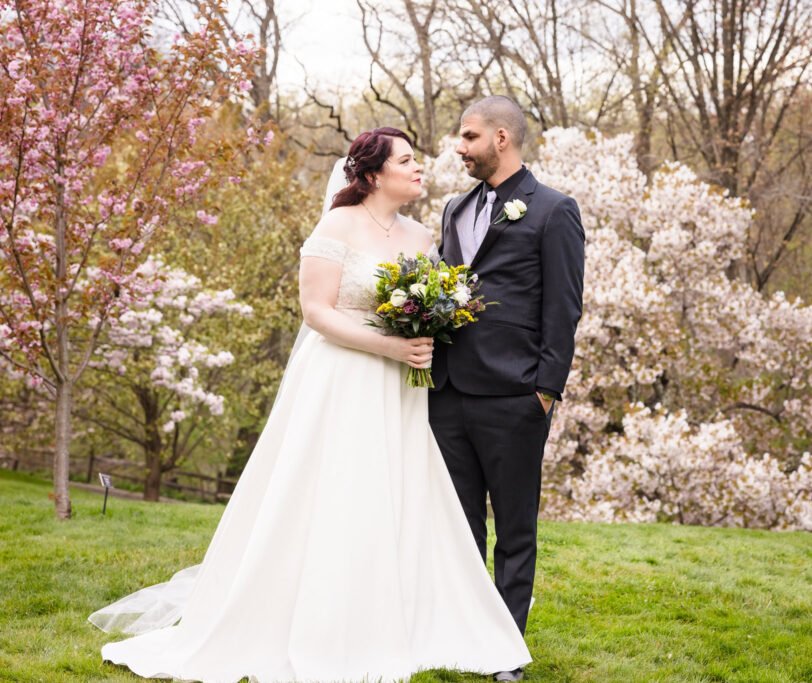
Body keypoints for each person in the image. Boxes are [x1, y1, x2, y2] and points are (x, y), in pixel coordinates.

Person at [88, 127, 530, 682]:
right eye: (408, 161)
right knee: (336, 488)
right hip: (342, 377)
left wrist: (427, 332)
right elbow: (317, 312)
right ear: (373, 174)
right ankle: (315, 619)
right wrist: (391, 344)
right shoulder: (336, 225)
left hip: (401, 390)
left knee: (397, 491)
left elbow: (434, 304)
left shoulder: (422, 237)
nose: (420, 169)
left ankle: (400, 616)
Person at [429, 96, 586, 682]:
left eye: (468, 137)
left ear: (501, 138)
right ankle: (464, 633)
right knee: (460, 524)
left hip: (515, 396)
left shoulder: (553, 210)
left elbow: (564, 308)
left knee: (515, 527)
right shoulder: (454, 208)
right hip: (446, 393)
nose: (459, 147)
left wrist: (544, 391)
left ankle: (505, 652)